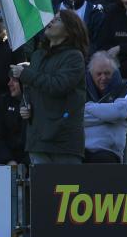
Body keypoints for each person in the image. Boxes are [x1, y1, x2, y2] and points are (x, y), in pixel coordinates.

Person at [15, 9, 89, 164]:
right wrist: (24, 106)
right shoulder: (37, 55)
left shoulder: (74, 57)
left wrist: (26, 74)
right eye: (52, 18)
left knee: (66, 181)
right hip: (37, 139)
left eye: (58, 19)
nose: (51, 21)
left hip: (63, 140)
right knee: (41, 181)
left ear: (69, 30)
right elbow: (29, 89)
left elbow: (58, 85)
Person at [84, 51, 127, 163]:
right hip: (81, 152)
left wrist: (88, 107)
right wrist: (109, 116)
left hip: (109, 153)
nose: (103, 77)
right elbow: (74, 117)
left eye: (107, 73)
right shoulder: (82, 90)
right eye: (99, 74)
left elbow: (121, 111)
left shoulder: (126, 87)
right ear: (91, 74)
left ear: (114, 72)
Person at [0, 76, 28, 165]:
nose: (9, 84)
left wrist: (24, 163)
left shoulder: (37, 103)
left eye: (15, 80)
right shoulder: (3, 102)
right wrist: (8, 160)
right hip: (5, 156)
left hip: (29, 157)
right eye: (9, 80)